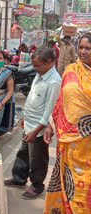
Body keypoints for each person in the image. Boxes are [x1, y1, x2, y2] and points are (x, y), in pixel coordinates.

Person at [4, 47, 61, 200]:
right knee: (23, 154)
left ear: (49, 62)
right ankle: (19, 178)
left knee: (37, 159)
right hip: (29, 123)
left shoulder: (54, 81)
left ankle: (37, 186)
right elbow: (32, 98)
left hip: (39, 129)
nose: (34, 68)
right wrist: (24, 117)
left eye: (37, 65)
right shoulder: (40, 74)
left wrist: (36, 131)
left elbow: (50, 111)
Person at [43, 33, 91, 214]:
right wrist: (50, 125)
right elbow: (60, 102)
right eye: (81, 47)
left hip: (89, 144)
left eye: (88, 48)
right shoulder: (71, 71)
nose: (83, 51)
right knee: (70, 183)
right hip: (70, 144)